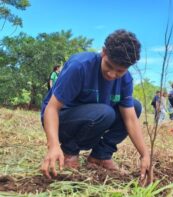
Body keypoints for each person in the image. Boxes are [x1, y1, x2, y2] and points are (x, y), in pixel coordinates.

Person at [40, 29, 150, 181]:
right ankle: (69, 151)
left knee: (135, 107)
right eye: (109, 65)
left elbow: (130, 119)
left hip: (96, 116)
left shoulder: (126, 80)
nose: (112, 74)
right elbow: (51, 108)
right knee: (105, 113)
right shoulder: (80, 66)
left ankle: (100, 155)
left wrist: (145, 154)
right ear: (103, 52)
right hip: (62, 119)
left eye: (120, 71)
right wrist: (53, 146)